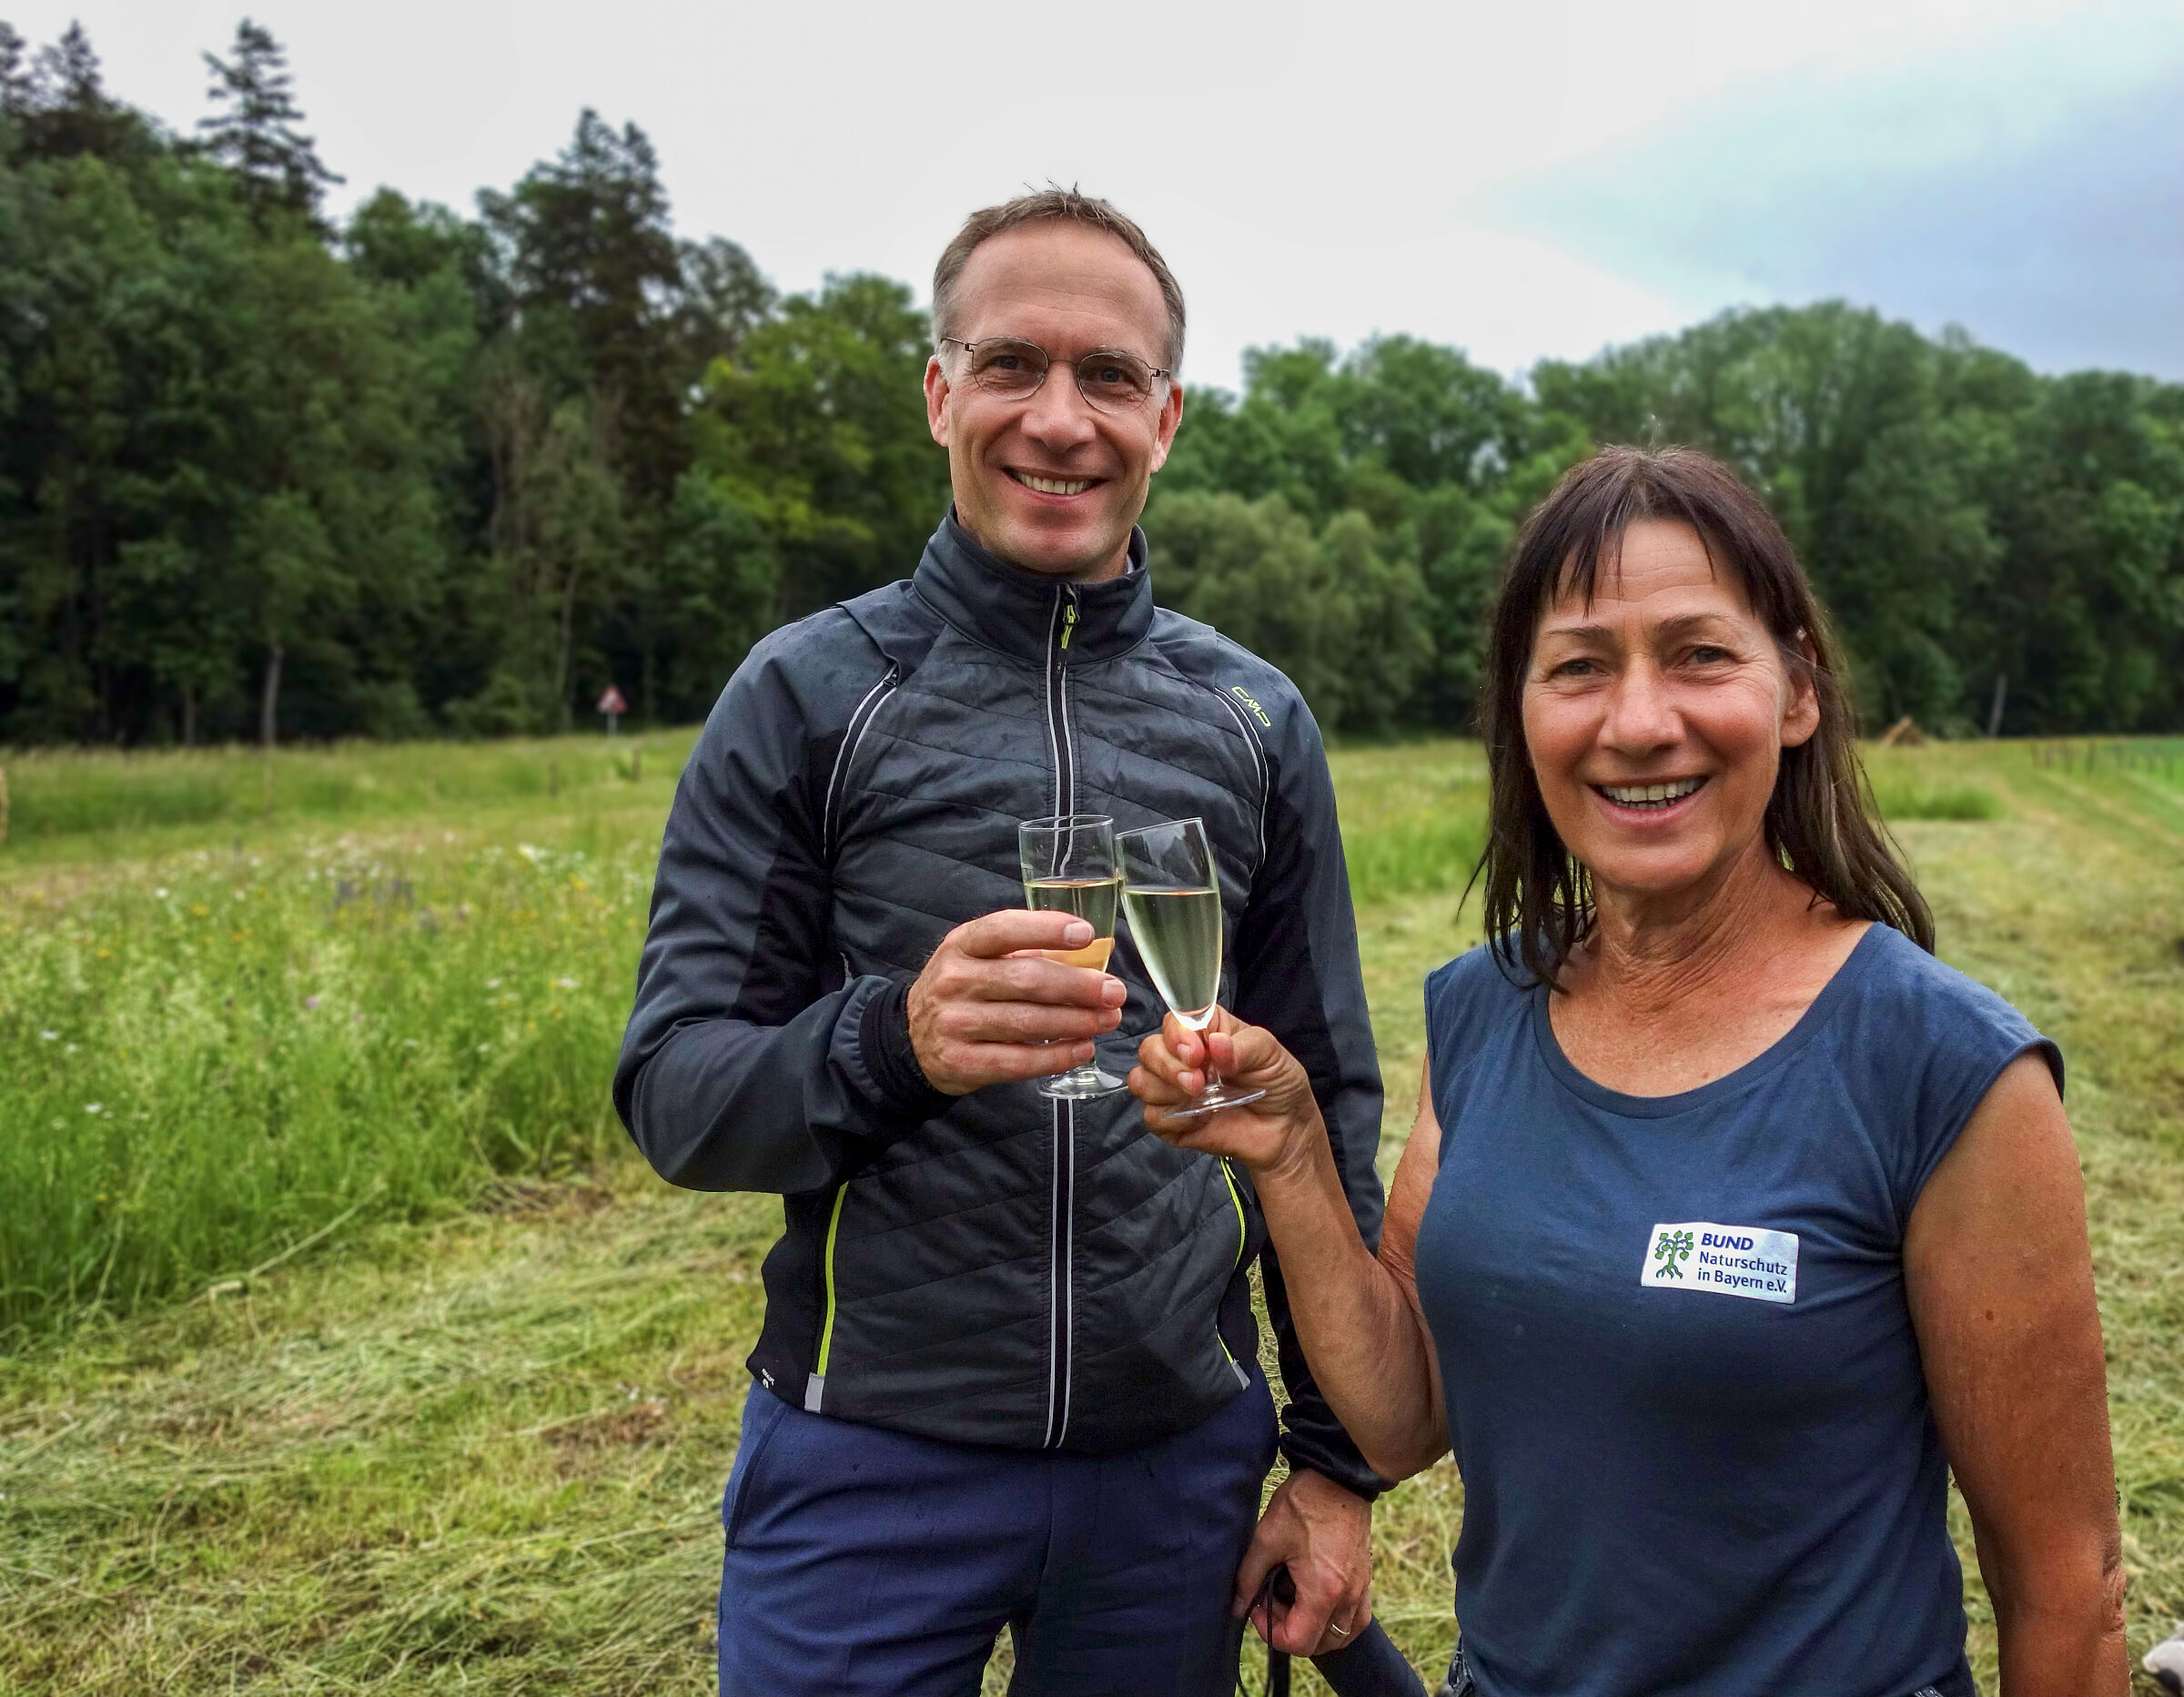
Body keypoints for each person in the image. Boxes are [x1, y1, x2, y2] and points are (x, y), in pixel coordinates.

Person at [1131, 446, 2128, 1697]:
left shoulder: (1948, 1071)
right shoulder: (1481, 1010)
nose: (1639, 720)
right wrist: (1287, 1152)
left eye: (1701, 654)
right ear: (1524, 712)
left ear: (1799, 689)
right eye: (1581, 667)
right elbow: (1403, 1412)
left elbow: (2068, 1592)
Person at [614, 188, 1388, 1697]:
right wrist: (892, 1039)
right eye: (1011, 365)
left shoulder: (1255, 721)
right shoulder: (807, 695)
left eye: (1108, 376)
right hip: (866, 1459)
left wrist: (1336, 1463)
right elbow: (677, 1088)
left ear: (1166, 417)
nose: (1060, 418)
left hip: (1173, 1469)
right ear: (939, 394)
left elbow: (1326, 1107)